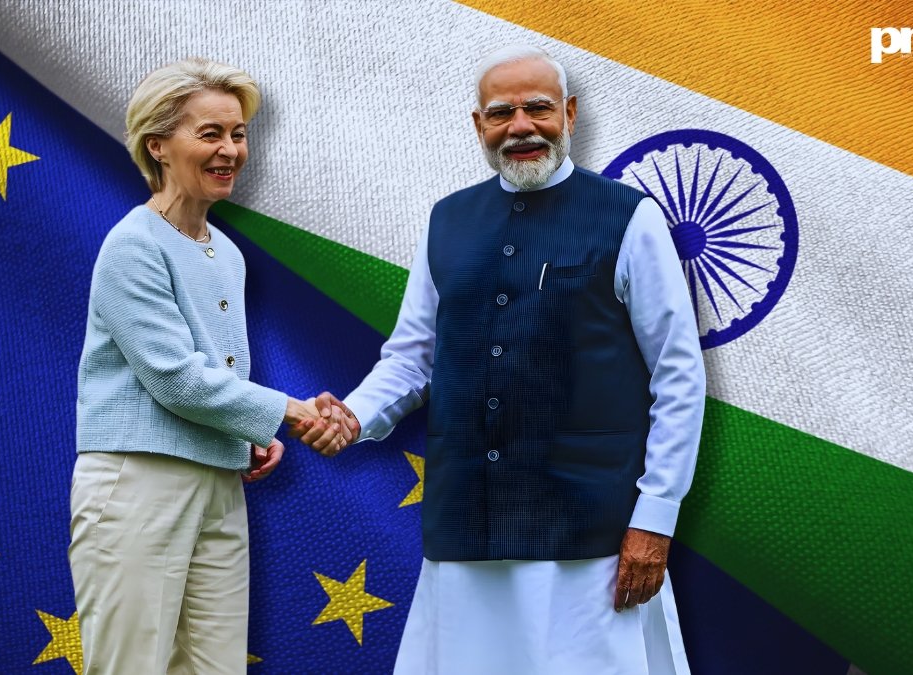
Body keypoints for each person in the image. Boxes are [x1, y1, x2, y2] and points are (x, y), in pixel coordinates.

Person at [292, 45, 705, 674]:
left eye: (538, 108)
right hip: (468, 520)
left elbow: (678, 374)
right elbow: (413, 357)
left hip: (589, 527)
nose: (521, 126)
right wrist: (353, 416)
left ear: (570, 113)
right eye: (501, 113)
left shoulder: (630, 216)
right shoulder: (448, 220)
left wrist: (657, 515)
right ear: (478, 124)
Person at [69, 58, 341, 675]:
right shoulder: (133, 244)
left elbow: (217, 375)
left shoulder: (229, 255)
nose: (230, 150)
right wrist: (290, 412)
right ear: (157, 145)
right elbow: (175, 379)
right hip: (138, 481)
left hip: (219, 484)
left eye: (238, 134)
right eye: (210, 133)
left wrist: (246, 433)